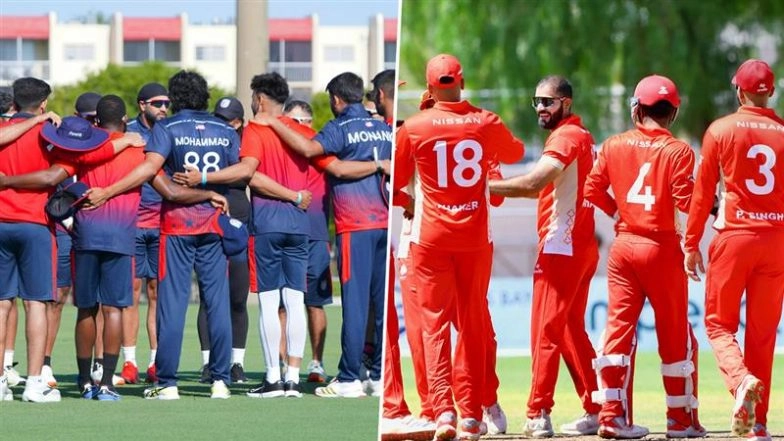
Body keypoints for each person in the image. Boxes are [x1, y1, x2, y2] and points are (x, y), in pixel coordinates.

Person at [86, 70, 240, 400]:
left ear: (176, 97)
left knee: (171, 303)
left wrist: (108, 191)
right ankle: (220, 381)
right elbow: (235, 173)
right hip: (216, 222)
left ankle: (167, 382)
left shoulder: (167, 127)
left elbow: (148, 169)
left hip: (177, 225)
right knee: (217, 302)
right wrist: (209, 185)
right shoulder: (226, 130)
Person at [394, 54, 523, 440]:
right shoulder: (485, 121)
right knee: (472, 325)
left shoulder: (414, 127)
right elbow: (516, 153)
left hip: (430, 239)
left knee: (433, 326)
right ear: (462, 83)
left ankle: (444, 413)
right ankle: (470, 415)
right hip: (474, 239)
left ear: (429, 87)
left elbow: (396, 183)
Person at [0, 78, 141, 402]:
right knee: (36, 303)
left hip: (1, 222)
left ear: (14, 103)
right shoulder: (49, 133)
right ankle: (35, 383)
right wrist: (124, 141)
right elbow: (77, 162)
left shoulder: (8, 130)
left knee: (2, 302)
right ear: (44, 104)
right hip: (34, 224)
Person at [253, 72, 391, 399]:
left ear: (336, 99)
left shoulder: (340, 127)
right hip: (385, 222)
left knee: (355, 304)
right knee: (380, 302)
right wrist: (379, 164)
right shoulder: (384, 128)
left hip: (355, 224)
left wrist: (273, 122)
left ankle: (349, 377)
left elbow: (310, 149)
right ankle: (377, 375)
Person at [584, 75, 703, 438]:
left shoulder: (614, 144)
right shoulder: (679, 151)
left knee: (618, 331)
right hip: (662, 248)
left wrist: (617, 212)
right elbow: (685, 202)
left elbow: (591, 188)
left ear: (637, 109)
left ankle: (611, 417)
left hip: (624, 249)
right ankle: (679, 421)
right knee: (675, 334)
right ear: (674, 113)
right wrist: (694, 238)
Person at [489, 75, 602, 437]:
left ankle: (538, 413)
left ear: (566, 103)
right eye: (536, 101)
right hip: (579, 245)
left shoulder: (566, 137)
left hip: (561, 246)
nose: (540, 108)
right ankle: (597, 408)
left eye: (547, 101)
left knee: (545, 332)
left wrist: (480, 186)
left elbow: (533, 184)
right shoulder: (580, 135)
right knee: (570, 331)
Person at [684, 59, 783, 441]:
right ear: (770, 92)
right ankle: (758, 425)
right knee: (763, 336)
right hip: (776, 240)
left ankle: (741, 381)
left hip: (735, 237)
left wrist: (691, 243)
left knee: (718, 324)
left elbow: (702, 193)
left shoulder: (721, 130)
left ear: (739, 91)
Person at [195, 96, 251, 384]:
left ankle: (236, 363)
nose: (221, 123)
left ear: (238, 123)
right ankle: (208, 363)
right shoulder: (206, 141)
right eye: (217, 117)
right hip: (209, 220)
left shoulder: (246, 146)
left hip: (238, 222)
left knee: (238, 298)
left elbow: (247, 175)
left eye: (227, 120)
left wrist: (210, 176)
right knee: (209, 298)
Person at [122, 82, 170, 384]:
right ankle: (130, 362)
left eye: (167, 103)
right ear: (142, 105)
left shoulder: (172, 130)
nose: (163, 108)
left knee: (157, 293)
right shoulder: (126, 132)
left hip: (164, 222)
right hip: (132, 221)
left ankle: (155, 362)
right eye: (157, 103)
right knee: (131, 291)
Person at [282, 99, 331, 383]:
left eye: (299, 122)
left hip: (315, 234)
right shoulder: (278, 148)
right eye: (290, 122)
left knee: (315, 302)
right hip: (284, 231)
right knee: (282, 303)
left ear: (310, 123)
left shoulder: (321, 146)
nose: (294, 128)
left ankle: (316, 363)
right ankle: (281, 365)